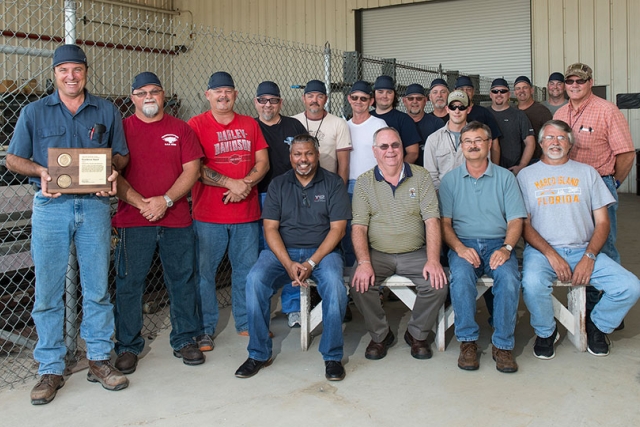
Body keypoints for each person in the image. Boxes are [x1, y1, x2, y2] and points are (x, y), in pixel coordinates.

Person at [6, 44, 129, 404]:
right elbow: (14, 159)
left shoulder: (106, 110)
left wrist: (112, 170)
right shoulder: (34, 112)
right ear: (54, 74)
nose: (71, 76)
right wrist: (42, 171)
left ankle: (99, 360)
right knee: (47, 292)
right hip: (51, 207)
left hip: (93, 207)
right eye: (64, 70)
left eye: (77, 69)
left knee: (96, 289)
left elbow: (121, 153)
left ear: (86, 72)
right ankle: (50, 368)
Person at [518, 120, 640, 358]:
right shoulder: (526, 176)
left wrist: (590, 256)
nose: (555, 142)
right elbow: (525, 224)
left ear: (570, 143)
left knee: (630, 286)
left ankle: (598, 326)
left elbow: (603, 222)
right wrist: (551, 255)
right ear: (541, 143)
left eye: (562, 138)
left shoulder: (587, 173)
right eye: (550, 138)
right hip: (542, 252)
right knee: (532, 284)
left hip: (583, 249)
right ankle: (546, 332)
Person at [236, 134, 351, 381]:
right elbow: (270, 229)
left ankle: (332, 356)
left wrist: (311, 262)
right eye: (297, 154)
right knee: (255, 280)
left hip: (323, 252)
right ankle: (257, 353)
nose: (303, 159)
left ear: (317, 155)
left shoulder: (332, 184)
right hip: (282, 253)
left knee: (334, 284)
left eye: (308, 153)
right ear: (290, 157)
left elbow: (338, 230)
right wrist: (288, 263)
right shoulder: (278, 185)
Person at [112, 72, 205, 374]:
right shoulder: (121, 130)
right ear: (132, 98)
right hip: (133, 219)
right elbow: (112, 174)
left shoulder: (181, 129)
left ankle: (185, 338)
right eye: (141, 92)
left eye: (154, 91)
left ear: (164, 95)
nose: (148, 97)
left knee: (182, 280)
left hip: (176, 219)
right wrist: (143, 204)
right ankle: (127, 345)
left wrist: (164, 201)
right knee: (129, 284)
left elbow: (192, 170)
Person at [350, 127, 448, 360]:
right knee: (360, 284)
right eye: (383, 146)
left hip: (415, 252)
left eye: (395, 145)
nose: (390, 151)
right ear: (375, 151)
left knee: (438, 284)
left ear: (402, 148)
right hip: (379, 253)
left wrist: (433, 260)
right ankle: (380, 335)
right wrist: (364, 262)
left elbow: (432, 221)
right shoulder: (364, 183)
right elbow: (359, 227)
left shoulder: (421, 176)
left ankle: (417, 333)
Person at [188, 71, 269, 351]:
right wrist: (230, 183)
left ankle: (246, 323)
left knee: (246, 271)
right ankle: (205, 329)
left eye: (228, 91)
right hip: (208, 215)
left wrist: (244, 184)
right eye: (217, 91)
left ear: (235, 94)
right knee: (205, 273)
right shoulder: (196, 124)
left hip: (246, 213)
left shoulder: (250, 124)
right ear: (207, 95)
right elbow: (195, 168)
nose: (223, 95)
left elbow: (263, 161)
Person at [439, 121, 526, 373]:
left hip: (498, 244)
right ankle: (467, 342)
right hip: (463, 244)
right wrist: (459, 248)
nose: (473, 145)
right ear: (461, 146)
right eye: (468, 141)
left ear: (489, 144)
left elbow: (515, 220)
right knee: (462, 277)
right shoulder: (450, 180)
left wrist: (507, 248)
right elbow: (444, 223)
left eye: (479, 140)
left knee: (509, 278)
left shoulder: (505, 178)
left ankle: (503, 344)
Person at [554, 63, 636, 321]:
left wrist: (613, 183)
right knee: (576, 242)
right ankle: (583, 304)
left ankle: (608, 307)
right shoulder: (561, 112)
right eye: (570, 81)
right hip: (569, 187)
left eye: (580, 81)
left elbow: (626, 153)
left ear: (590, 82)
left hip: (599, 184)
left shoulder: (607, 111)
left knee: (604, 245)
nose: (575, 85)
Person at [253, 81, 308, 328]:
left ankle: (294, 307)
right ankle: (261, 307)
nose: (268, 105)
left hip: (292, 198)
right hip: (261, 196)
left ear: (280, 103)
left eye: (273, 100)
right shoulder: (249, 126)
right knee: (267, 253)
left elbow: (304, 158)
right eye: (263, 100)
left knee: (293, 248)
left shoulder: (293, 125)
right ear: (256, 102)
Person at [345, 80, 387, 267]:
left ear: (371, 101)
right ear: (349, 99)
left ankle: (375, 285)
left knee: (373, 233)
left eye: (363, 98)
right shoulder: (344, 125)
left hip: (374, 184)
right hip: (349, 184)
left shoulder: (378, 124)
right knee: (350, 233)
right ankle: (352, 281)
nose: (359, 101)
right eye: (355, 97)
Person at [292, 79, 352, 184]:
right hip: (298, 183)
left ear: (326, 99)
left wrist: (339, 190)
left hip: (327, 184)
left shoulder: (338, 123)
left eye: (320, 96)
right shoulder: (293, 122)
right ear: (303, 99)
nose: (314, 100)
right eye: (310, 96)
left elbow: (343, 164)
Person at [423, 90, 470, 191]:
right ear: (447, 109)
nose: (457, 111)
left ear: (468, 109)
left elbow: (483, 168)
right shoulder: (433, 139)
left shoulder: (478, 139)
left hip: (471, 195)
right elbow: (430, 174)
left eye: (461, 107)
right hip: (443, 197)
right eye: (453, 107)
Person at [370, 75, 422, 164]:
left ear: (394, 95)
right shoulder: (367, 117)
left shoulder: (404, 120)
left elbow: (413, 153)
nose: (384, 96)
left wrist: (398, 171)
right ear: (374, 94)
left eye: (389, 92)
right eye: (380, 92)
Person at [488, 78, 535, 174]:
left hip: (512, 171)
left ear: (509, 94)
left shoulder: (519, 115)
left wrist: (521, 166)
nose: (499, 94)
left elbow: (530, 143)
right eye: (495, 91)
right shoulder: (483, 114)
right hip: (489, 170)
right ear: (490, 94)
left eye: (503, 91)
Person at [454, 75, 502, 151]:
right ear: (455, 91)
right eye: (461, 89)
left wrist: (494, 163)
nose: (465, 92)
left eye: (468, 89)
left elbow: (494, 142)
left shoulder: (484, 113)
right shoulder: (452, 113)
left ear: (473, 92)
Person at [402, 83, 444, 167]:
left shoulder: (437, 123)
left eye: (419, 98)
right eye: (410, 98)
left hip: (430, 171)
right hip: (404, 173)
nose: (414, 101)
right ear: (404, 101)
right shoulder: (399, 122)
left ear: (425, 101)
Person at [514, 75, 552, 162]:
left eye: (525, 88)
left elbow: (550, 135)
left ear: (531, 90)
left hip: (536, 159)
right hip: (516, 161)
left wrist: (544, 156)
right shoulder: (512, 111)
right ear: (515, 92)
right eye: (518, 88)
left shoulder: (542, 111)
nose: (521, 91)